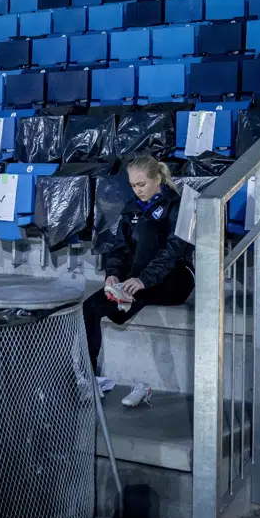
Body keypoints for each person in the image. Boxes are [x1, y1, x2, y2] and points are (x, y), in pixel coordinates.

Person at [84, 156, 194, 409]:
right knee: (89, 308)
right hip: (139, 280)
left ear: (158, 179)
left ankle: (127, 298)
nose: (138, 190)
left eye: (142, 184)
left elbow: (173, 252)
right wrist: (112, 274)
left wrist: (143, 279)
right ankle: (89, 379)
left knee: (146, 237)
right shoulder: (131, 208)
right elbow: (119, 248)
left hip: (175, 278)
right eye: (133, 185)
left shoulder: (177, 205)